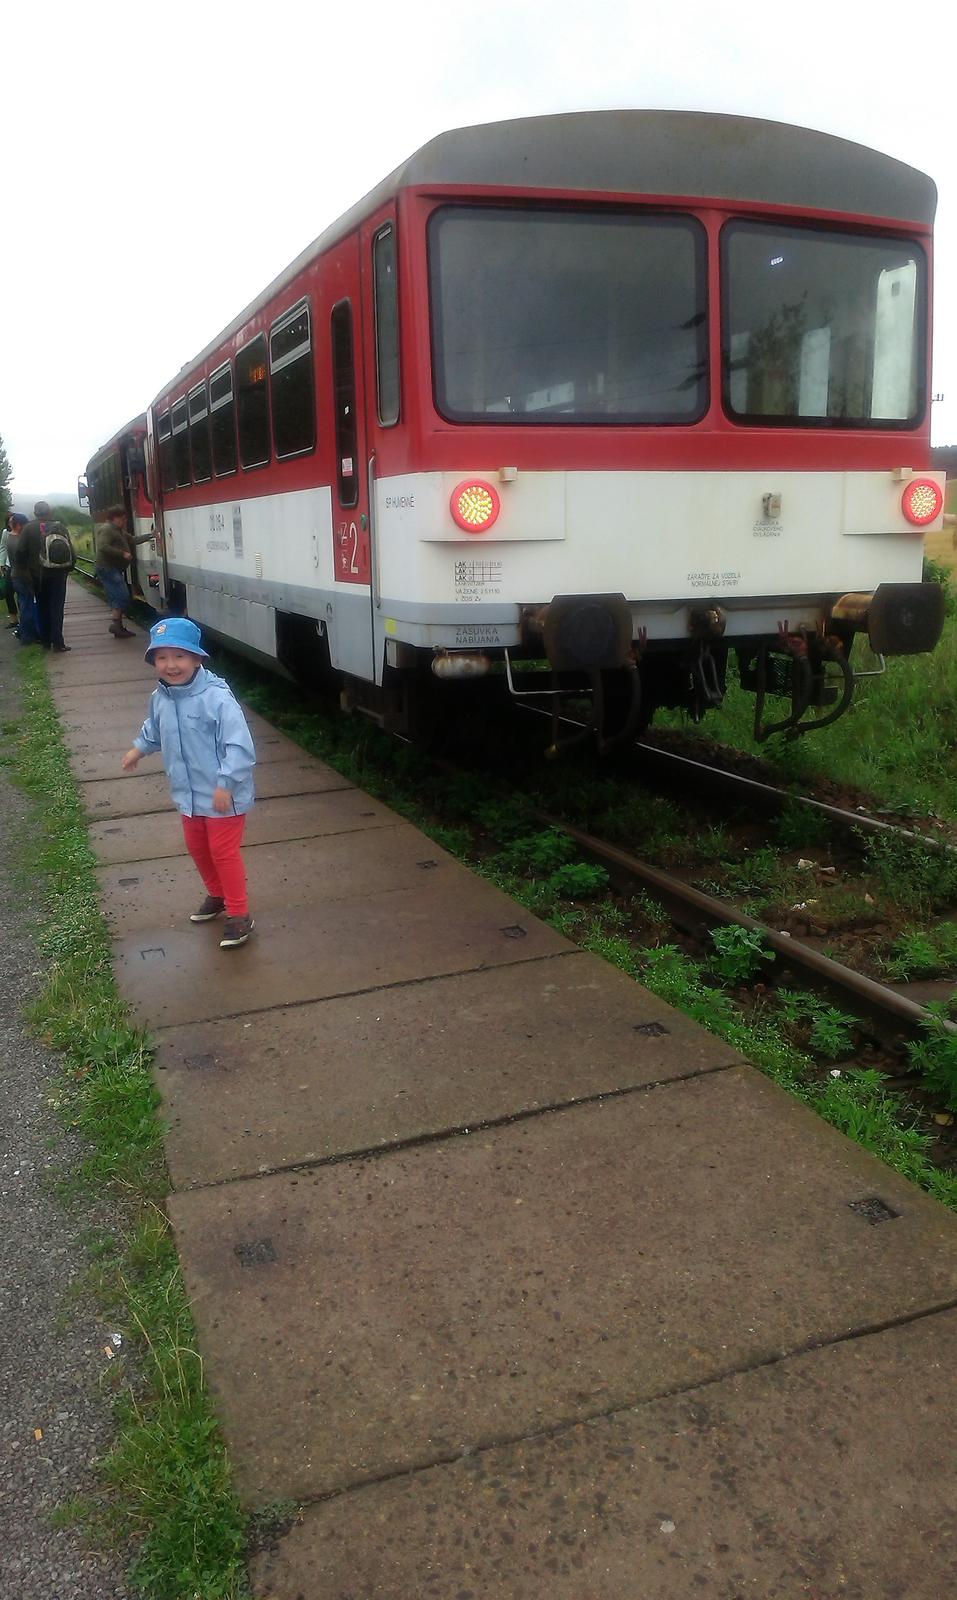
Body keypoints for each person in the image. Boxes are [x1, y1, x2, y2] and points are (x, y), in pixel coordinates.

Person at [121, 617, 257, 949]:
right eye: (162, 657)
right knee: (198, 848)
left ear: (197, 658)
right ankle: (218, 894)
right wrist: (138, 749)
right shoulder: (161, 697)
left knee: (223, 852)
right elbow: (154, 730)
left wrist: (226, 783)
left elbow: (239, 746)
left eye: (179, 656)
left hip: (224, 796)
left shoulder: (217, 699)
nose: (171, 665)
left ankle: (239, 914)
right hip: (189, 796)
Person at [18, 500, 75, 651]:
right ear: (50, 512)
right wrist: (68, 568)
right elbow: (70, 550)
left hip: (38, 576)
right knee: (57, 608)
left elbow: (20, 551)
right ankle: (58, 643)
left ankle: (45, 642)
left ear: (35, 513)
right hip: (58, 574)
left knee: (42, 607)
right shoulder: (60, 526)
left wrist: (24, 571)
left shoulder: (28, 528)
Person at [94, 505, 152, 638]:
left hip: (112, 568)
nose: (125, 521)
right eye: (122, 518)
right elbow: (103, 546)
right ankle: (116, 625)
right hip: (107, 567)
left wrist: (151, 535)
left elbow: (133, 540)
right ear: (114, 518)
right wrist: (122, 554)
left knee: (117, 596)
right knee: (122, 595)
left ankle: (117, 626)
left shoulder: (118, 530)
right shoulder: (108, 529)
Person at [7, 511, 42, 646]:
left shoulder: (10, 537)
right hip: (22, 577)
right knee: (27, 607)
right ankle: (27, 637)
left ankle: (23, 632)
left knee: (25, 605)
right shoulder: (17, 541)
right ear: (19, 525)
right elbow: (24, 562)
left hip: (16, 576)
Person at [1, 512, 20, 627]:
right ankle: (14, 619)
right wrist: (1, 564)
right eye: (10, 521)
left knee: (21, 593)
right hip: (9, 565)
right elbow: (3, 547)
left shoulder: (23, 532)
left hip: (21, 567)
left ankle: (25, 620)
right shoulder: (5, 533)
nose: (11, 523)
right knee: (8, 592)